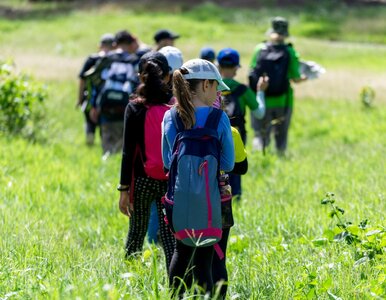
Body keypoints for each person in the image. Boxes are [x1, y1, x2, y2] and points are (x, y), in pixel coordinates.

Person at [162, 59, 234, 297]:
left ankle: (174, 297)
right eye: (216, 86)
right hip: (210, 198)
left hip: (177, 198)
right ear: (205, 85)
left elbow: (166, 161)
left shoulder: (170, 117)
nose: (217, 92)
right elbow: (228, 163)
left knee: (180, 254)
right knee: (205, 257)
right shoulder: (218, 118)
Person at [117, 51, 176, 270]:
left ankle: (130, 277)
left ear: (140, 76)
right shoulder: (175, 107)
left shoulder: (134, 107)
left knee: (137, 232)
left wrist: (124, 190)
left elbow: (127, 153)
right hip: (170, 182)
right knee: (170, 237)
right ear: (168, 76)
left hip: (141, 181)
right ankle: (175, 284)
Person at [211, 77, 267, 299]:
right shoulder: (229, 129)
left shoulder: (176, 121)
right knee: (218, 254)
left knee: (186, 253)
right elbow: (240, 168)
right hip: (219, 200)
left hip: (184, 197)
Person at [249, 17, 307, 155]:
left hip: (261, 100)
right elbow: (295, 78)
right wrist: (305, 78)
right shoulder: (290, 52)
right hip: (283, 100)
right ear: (286, 33)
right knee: (281, 135)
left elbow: (251, 72)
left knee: (260, 134)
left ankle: (260, 159)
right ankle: (280, 157)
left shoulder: (259, 49)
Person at [146, 46, 184, 245]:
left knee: (155, 207)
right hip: (176, 166)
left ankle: (153, 245)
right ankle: (171, 243)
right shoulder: (180, 102)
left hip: (151, 166)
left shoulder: (145, 100)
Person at [217, 47, 266, 199]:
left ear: (218, 66)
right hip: (236, 134)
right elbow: (259, 113)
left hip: (214, 133)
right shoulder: (242, 90)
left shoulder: (211, 87)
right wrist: (260, 91)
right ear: (237, 68)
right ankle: (235, 195)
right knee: (236, 166)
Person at [92, 30, 140, 155]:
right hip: (126, 108)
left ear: (115, 44)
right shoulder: (134, 61)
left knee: (107, 143)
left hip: (105, 107)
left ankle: (106, 164)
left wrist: (93, 105)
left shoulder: (107, 59)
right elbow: (138, 86)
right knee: (123, 146)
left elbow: (97, 83)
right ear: (130, 44)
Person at [77, 33, 115, 145]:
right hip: (108, 100)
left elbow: (82, 79)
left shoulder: (92, 59)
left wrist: (79, 99)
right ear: (114, 46)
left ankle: (90, 144)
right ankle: (106, 148)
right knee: (106, 124)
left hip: (90, 99)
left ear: (100, 45)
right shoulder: (116, 59)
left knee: (90, 124)